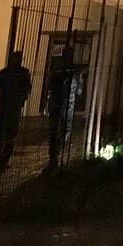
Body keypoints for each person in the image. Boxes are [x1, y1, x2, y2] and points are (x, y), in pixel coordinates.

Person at [0, 51, 32, 170]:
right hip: (8, 107)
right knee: (4, 133)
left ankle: (0, 159)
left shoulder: (10, 73)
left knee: (7, 133)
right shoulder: (11, 73)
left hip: (11, 107)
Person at [45, 45, 79, 173]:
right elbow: (78, 91)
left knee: (57, 131)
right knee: (61, 131)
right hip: (65, 106)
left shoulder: (59, 72)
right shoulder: (71, 73)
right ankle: (55, 156)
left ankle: (55, 156)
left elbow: (51, 88)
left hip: (61, 106)